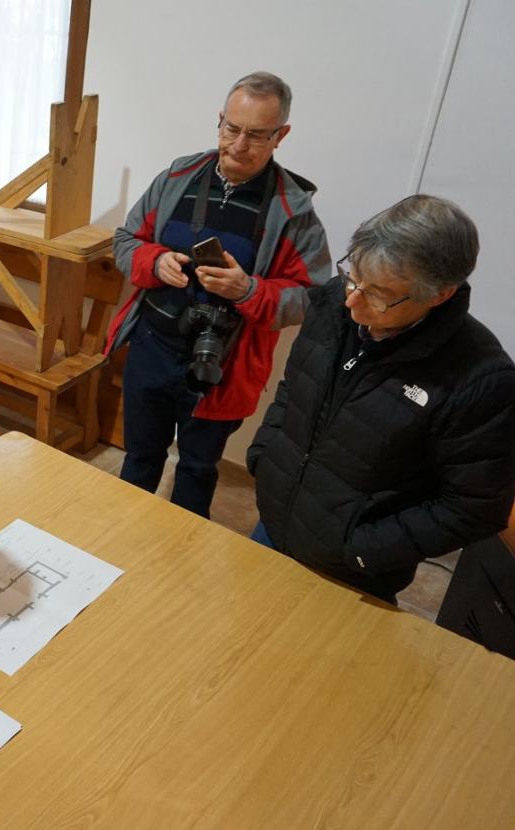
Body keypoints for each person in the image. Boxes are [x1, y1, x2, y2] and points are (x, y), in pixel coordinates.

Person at [247, 195, 515, 604]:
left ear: (440, 294)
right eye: (354, 277)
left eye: (380, 294)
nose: (352, 300)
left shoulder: (480, 378)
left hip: (353, 574)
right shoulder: (335, 302)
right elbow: (294, 388)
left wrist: (361, 549)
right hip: (272, 525)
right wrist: (265, 458)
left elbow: (473, 507)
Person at [104, 71, 330, 518]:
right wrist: (153, 262)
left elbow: (312, 296)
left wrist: (249, 290)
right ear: (219, 120)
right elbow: (125, 240)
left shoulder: (292, 209)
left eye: (257, 135)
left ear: (280, 136)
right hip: (152, 345)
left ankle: (181, 558)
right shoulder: (178, 176)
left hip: (222, 364)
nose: (239, 145)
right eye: (232, 129)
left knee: (197, 469)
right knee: (139, 460)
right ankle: (122, 547)